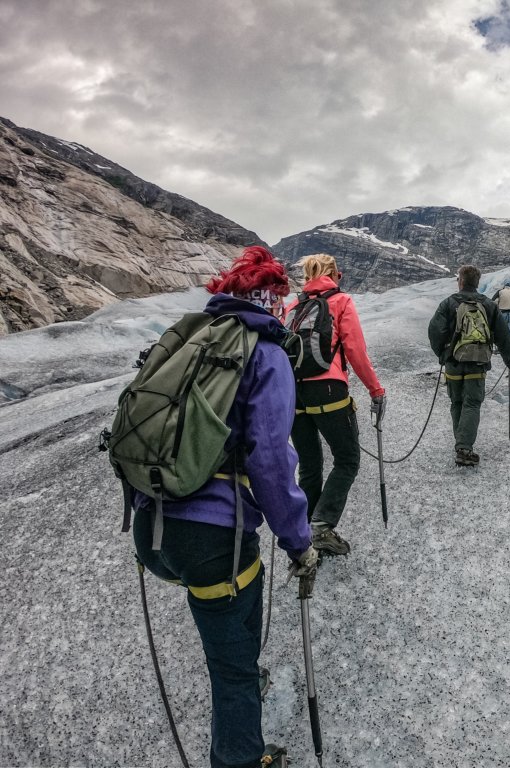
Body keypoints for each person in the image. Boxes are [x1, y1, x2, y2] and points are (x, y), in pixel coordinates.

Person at [133, 246, 316, 768]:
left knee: (220, 612)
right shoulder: (266, 353)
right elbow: (272, 461)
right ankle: (240, 757)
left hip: (152, 531)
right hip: (213, 540)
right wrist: (299, 541)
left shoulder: (185, 339)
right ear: (273, 299)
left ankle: (237, 664)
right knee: (231, 662)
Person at [286, 253, 386, 557]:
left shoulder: (294, 306)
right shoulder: (340, 301)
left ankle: (305, 530)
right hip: (328, 389)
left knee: (311, 464)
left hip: (294, 392)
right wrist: (375, 389)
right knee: (347, 458)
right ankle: (322, 526)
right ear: (334, 274)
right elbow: (355, 350)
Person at [428, 264, 510, 466]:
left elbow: (435, 330)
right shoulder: (488, 305)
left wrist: (442, 354)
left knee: (457, 402)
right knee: (472, 403)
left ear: (460, 281)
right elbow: (503, 336)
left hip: (453, 362)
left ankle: (461, 443)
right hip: (478, 361)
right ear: (478, 283)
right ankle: (464, 447)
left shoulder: (448, 303)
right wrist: (508, 359)